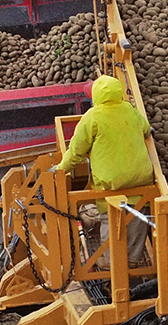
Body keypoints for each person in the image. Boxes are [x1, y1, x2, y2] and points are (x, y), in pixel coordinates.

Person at [63, 75, 156, 270]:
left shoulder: (93, 117)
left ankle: (112, 270)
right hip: (141, 183)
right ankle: (134, 264)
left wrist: (60, 169)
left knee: (112, 228)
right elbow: (147, 130)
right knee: (137, 224)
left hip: (112, 187)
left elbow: (76, 152)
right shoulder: (130, 111)